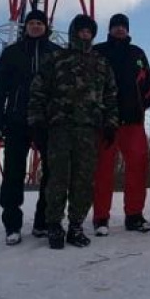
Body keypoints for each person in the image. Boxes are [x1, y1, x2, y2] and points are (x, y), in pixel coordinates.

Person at [27, 14, 119, 249]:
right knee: (58, 178)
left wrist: (111, 123)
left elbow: (111, 95)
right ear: (73, 32)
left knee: (83, 181)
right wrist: (36, 122)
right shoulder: (56, 58)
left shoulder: (101, 62)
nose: (85, 34)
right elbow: (38, 92)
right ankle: (54, 224)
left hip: (89, 130)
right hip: (59, 128)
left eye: (89, 31)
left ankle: (76, 225)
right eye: (81, 30)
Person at [0, 9, 61, 245]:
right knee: (13, 173)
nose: (35, 26)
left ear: (46, 26)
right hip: (17, 120)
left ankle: (43, 221)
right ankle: (12, 224)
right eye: (31, 23)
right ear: (25, 26)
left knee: (52, 172)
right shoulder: (12, 52)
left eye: (40, 22)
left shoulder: (56, 53)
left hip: (48, 121)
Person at [91, 13, 150, 236]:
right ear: (109, 29)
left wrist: (143, 104)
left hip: (133, 121)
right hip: (105, 122)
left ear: (127, 29)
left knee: (138, 168)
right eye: (116, 26)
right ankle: (101, 217)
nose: (120, 29)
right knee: (103, 171)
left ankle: (134, 215)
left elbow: (149, 82)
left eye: (123, 26)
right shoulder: (98, 51)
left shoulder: (137, 53)